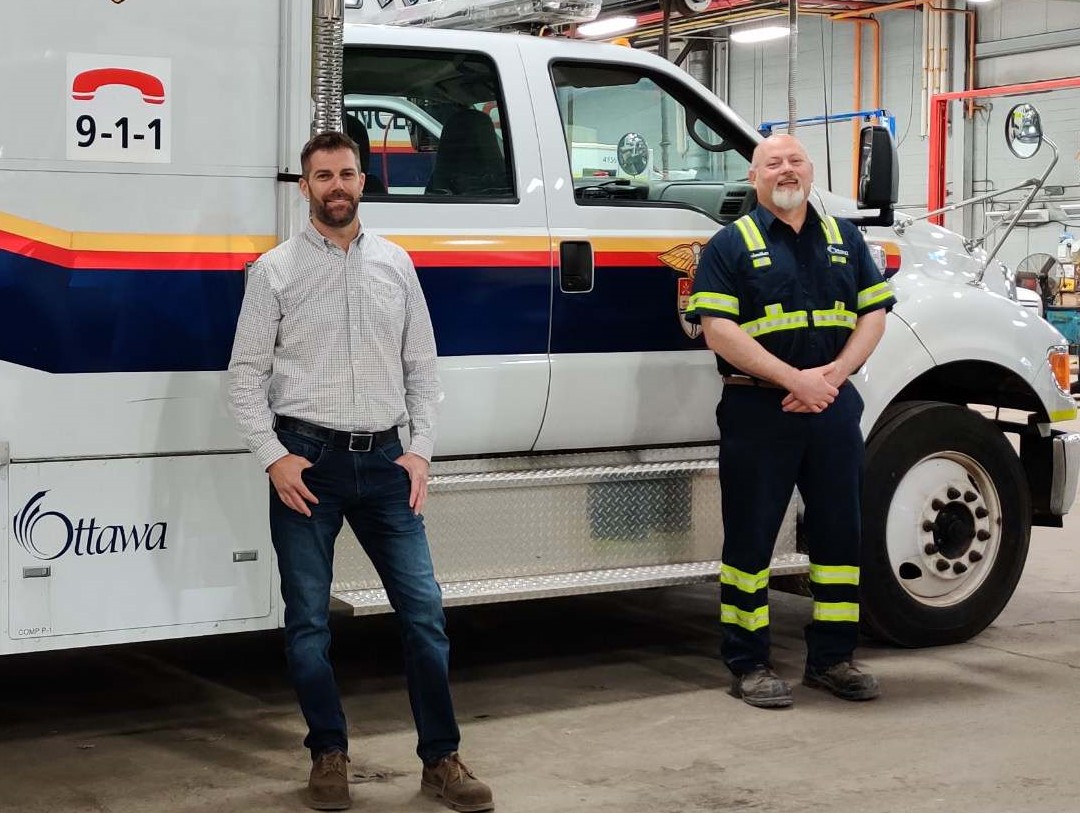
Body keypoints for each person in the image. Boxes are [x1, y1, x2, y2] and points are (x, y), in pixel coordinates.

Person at [228, 131, 493, 812]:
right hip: (305, 464)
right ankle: (328, 754)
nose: (337, 185)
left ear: (362, 181)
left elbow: (422, 367)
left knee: (425, 615)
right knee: (309, 623)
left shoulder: (397, 265)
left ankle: (441, 759)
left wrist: (422, 449)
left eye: (347, 173)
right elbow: (244, 377)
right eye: (323, 176)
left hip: (384, 462)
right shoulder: (275, 272)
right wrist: (273, 455)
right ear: (305, 187)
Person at [685, 133, 896, 709]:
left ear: (811, 172)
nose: (785, 170)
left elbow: (873, 314)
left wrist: (829, 378)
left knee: (840, 537)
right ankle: (748, 663)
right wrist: (793, 379)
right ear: (754, 178)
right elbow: (717, 330)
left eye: (795, 161)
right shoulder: (729, 245)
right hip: (758, 408)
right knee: (750, 543)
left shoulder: (845, 239)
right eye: (772, 163)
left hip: (830, 407)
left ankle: (832, 659)